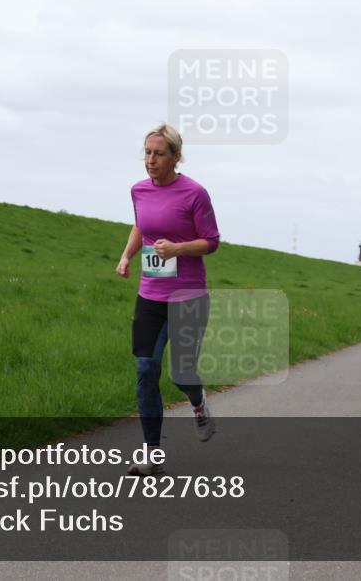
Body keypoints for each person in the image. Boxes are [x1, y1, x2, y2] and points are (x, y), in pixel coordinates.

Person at [116, 124, 220, 476]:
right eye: (147, 152)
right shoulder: (138, 191)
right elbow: (141, 226)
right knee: (146, 370)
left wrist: (178, 248)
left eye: (159, 153)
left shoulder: (195, 194)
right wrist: (127, 256)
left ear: (176, 156)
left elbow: (211, 241)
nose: (150, 159)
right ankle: (151, 454)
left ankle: (198, 401)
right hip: (150, 295)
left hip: (188, 295)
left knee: (181, 372)